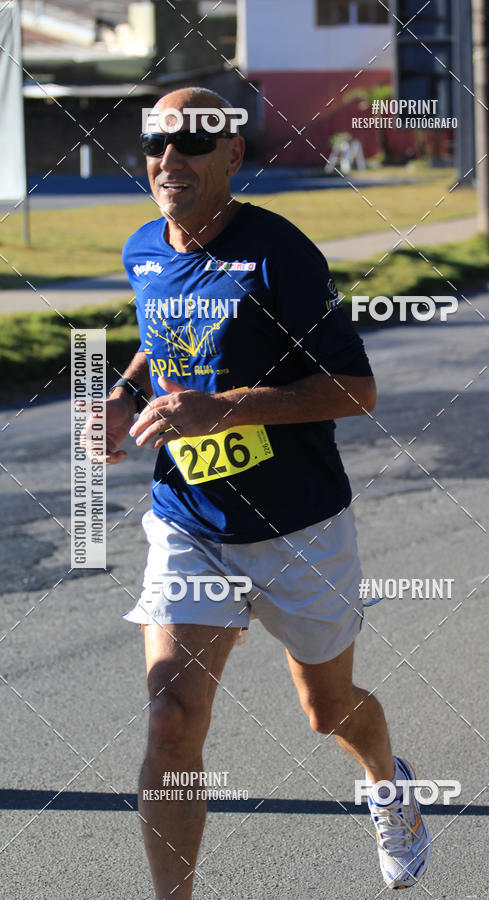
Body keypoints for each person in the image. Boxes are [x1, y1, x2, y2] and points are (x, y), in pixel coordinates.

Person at [90, 87, 431, 896]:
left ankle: (389, 786)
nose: (168, 159)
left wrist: (224, 408)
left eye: (191, 143)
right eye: (156, 143)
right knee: (171, 719)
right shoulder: (144, 247)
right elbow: (161, 335)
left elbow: (354, 390)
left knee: (328, 708)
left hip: (299, 526)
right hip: (190, 522)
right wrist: (125, 394)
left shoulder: (280, 253)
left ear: (233, 154)